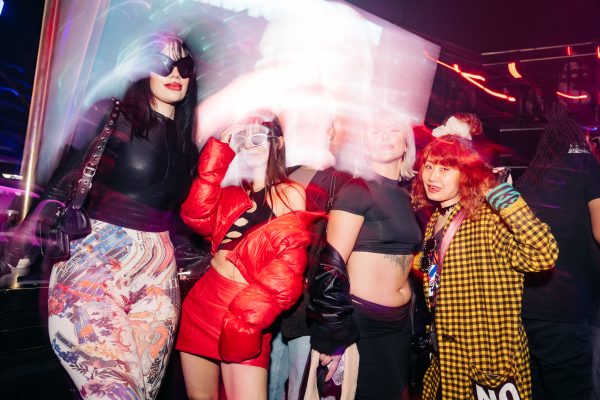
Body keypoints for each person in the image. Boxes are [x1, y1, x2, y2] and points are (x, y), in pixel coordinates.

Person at [40, 34, 199, 399]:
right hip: (94, 263)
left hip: (158, 275)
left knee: (142, 392)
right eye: (162, 64)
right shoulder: (114, 116)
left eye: (184, 65)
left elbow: (183, 218)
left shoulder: (188, 144)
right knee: (113, 392)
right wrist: (22, 242)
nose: (175, 73)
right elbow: (61, 182)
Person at [175, 110, 320, 400]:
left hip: (247, 310)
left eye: (258, 138)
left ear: (277, 143)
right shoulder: (231, 193)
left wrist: (247, 320)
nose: (250, 145)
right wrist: (219, 151)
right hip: (203, 303)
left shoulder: (289, 193)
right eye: (244, 139)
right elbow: (195, 216)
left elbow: (287, 271)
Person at [412, 134, 558, 400]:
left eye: (445, 169)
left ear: (466, 174)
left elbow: (543, 254)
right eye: (429, 166)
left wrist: (503, 197)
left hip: (487, 361)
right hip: (445, 357)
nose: (432, 176)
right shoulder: (436, 218)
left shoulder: (487, 217)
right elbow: (436, 274)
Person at [308, 116, 422, 400]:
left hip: (399, 324)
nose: (384, 135)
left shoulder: (405, 196)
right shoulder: (357, 190)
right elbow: (330, 265)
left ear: (406, 143)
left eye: (393, 128)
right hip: (364, 324)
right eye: (375, 130)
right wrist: (333, 333)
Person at [515, 105, 600, 400]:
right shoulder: (587, 165)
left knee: (538, 390)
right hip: (568, 307)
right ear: (584, 137)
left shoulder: (530, 176)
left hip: (527, 308)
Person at [268, 120, 352, 400]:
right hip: (273, 294)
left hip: (309, 298)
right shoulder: (283, 173)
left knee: (300, 382)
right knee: (270, 379)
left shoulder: (340, 179)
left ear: (329, 133)